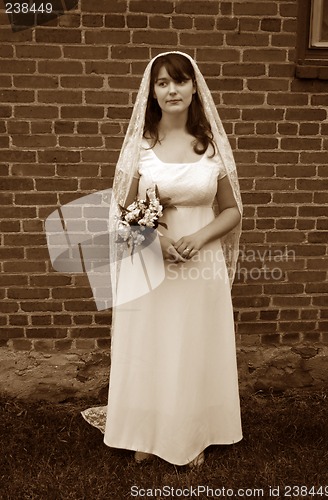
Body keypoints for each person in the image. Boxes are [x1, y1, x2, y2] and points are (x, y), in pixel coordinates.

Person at [82, 51, 243, 467]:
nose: (172, 90)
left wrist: (198, 237)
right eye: (162, 83)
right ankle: (145, 431)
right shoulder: (141, 147)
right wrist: (158, 241)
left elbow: (231, 210)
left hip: (201, 265)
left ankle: (194, 434)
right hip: (152, 262)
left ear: (194, 87)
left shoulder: (212, 149)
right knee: (151, 345)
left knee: (192, 345)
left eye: (180, 80)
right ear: (152, 92)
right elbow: (122, 211)